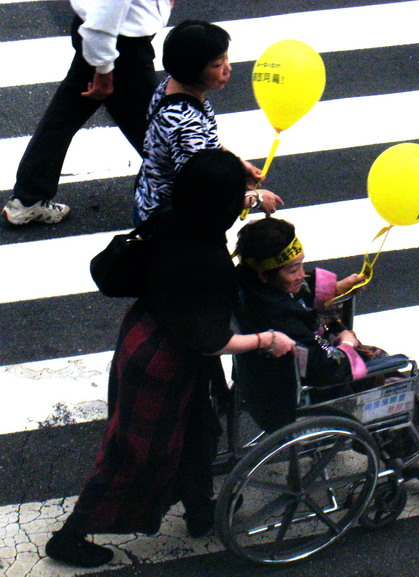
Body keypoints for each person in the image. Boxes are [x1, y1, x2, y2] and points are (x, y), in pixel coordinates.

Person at [44, 149, 296, 569]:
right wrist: (266, 339)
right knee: (137, 453)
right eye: (236, 195)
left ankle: (200, 511)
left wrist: (249, 193)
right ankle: (70, 537)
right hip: (164, 364)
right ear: (220, 205)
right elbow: (213, 342)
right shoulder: (210, 260)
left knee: (196, 432)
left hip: (144, 334)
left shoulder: (171, 215)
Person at [233, 217, 419, 478]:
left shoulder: (247, 287)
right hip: (302, 394)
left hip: (259, 384)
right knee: (391, 378)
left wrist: (336, 288)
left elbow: (298, 291)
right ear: (264, 274)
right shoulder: (282, 318)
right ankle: (410, 457)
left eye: (301, 265)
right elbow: (328, 369)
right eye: (293, 270)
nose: (301, 274)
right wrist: (346, 343)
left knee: (373, 355)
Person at [3, 0, 174, 226]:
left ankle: (28, 198)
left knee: (66, 115)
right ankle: (183, 191)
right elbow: (105, 14)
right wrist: (103, 71)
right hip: (117, 44)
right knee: (154, 126)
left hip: (108, 38)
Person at [133, 19, 283, 224]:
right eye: (217, 65)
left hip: (150, 195)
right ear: (192, 70)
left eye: (226, 59)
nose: (228, 68)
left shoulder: (171, 85)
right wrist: (254, 199)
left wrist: (237, 164)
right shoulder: (185, 124)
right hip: (172, 224)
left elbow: (204, 147)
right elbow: (202, 195)